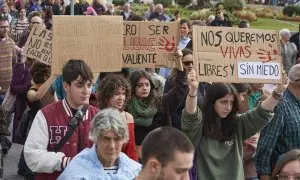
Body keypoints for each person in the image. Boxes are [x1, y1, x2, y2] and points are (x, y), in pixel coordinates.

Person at [181, 68, 288, 180]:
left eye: (231, 103)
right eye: (224, 102)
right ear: (212, 102)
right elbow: (190, 117)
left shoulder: (237, 123)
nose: (228, 107)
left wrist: (278, 92)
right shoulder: (200, 127)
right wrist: (193, 90)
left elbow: (260, 113)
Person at [24, 60, 99, 180]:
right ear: (66, 86)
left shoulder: (98, 117)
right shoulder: (46, 115)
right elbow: (32, 155)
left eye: (89, 85)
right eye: (79, 85)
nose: (86, 91)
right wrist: (64, 162)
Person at [126, 49, 189, 158]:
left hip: (159, 158)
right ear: (132, 87)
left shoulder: (161, 103)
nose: (144, 88)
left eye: (147, 84)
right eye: (139, 85)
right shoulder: (126, 107)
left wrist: (178, 61)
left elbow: (181, 87)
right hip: (133, 161)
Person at [58, 108, 141, 179]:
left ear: (124, 140)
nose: (112, 146)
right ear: (95, 138)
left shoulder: (135, 171)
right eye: (106, 139)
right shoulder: (76, 172)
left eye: (117, 139)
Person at [255, 64, 300, 180]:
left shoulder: (296, 103)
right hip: (282, 174)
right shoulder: (280, 104)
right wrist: (264, 175)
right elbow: (265, 144)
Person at [163, 49, 210, 130]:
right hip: (179, 129)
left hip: (197, 127)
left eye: (193, 62)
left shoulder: (201, 81)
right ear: (180, 64)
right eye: (187, 63)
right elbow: (168, 106)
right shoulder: (171, 80)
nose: (191, 65)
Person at [97, 74, 138, 161]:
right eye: (116, 94)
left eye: (123, 94)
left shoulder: (128, 117)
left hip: (124, 168)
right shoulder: (97, 117)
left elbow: (131, 151)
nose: (121, 98)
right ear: (106, 96)